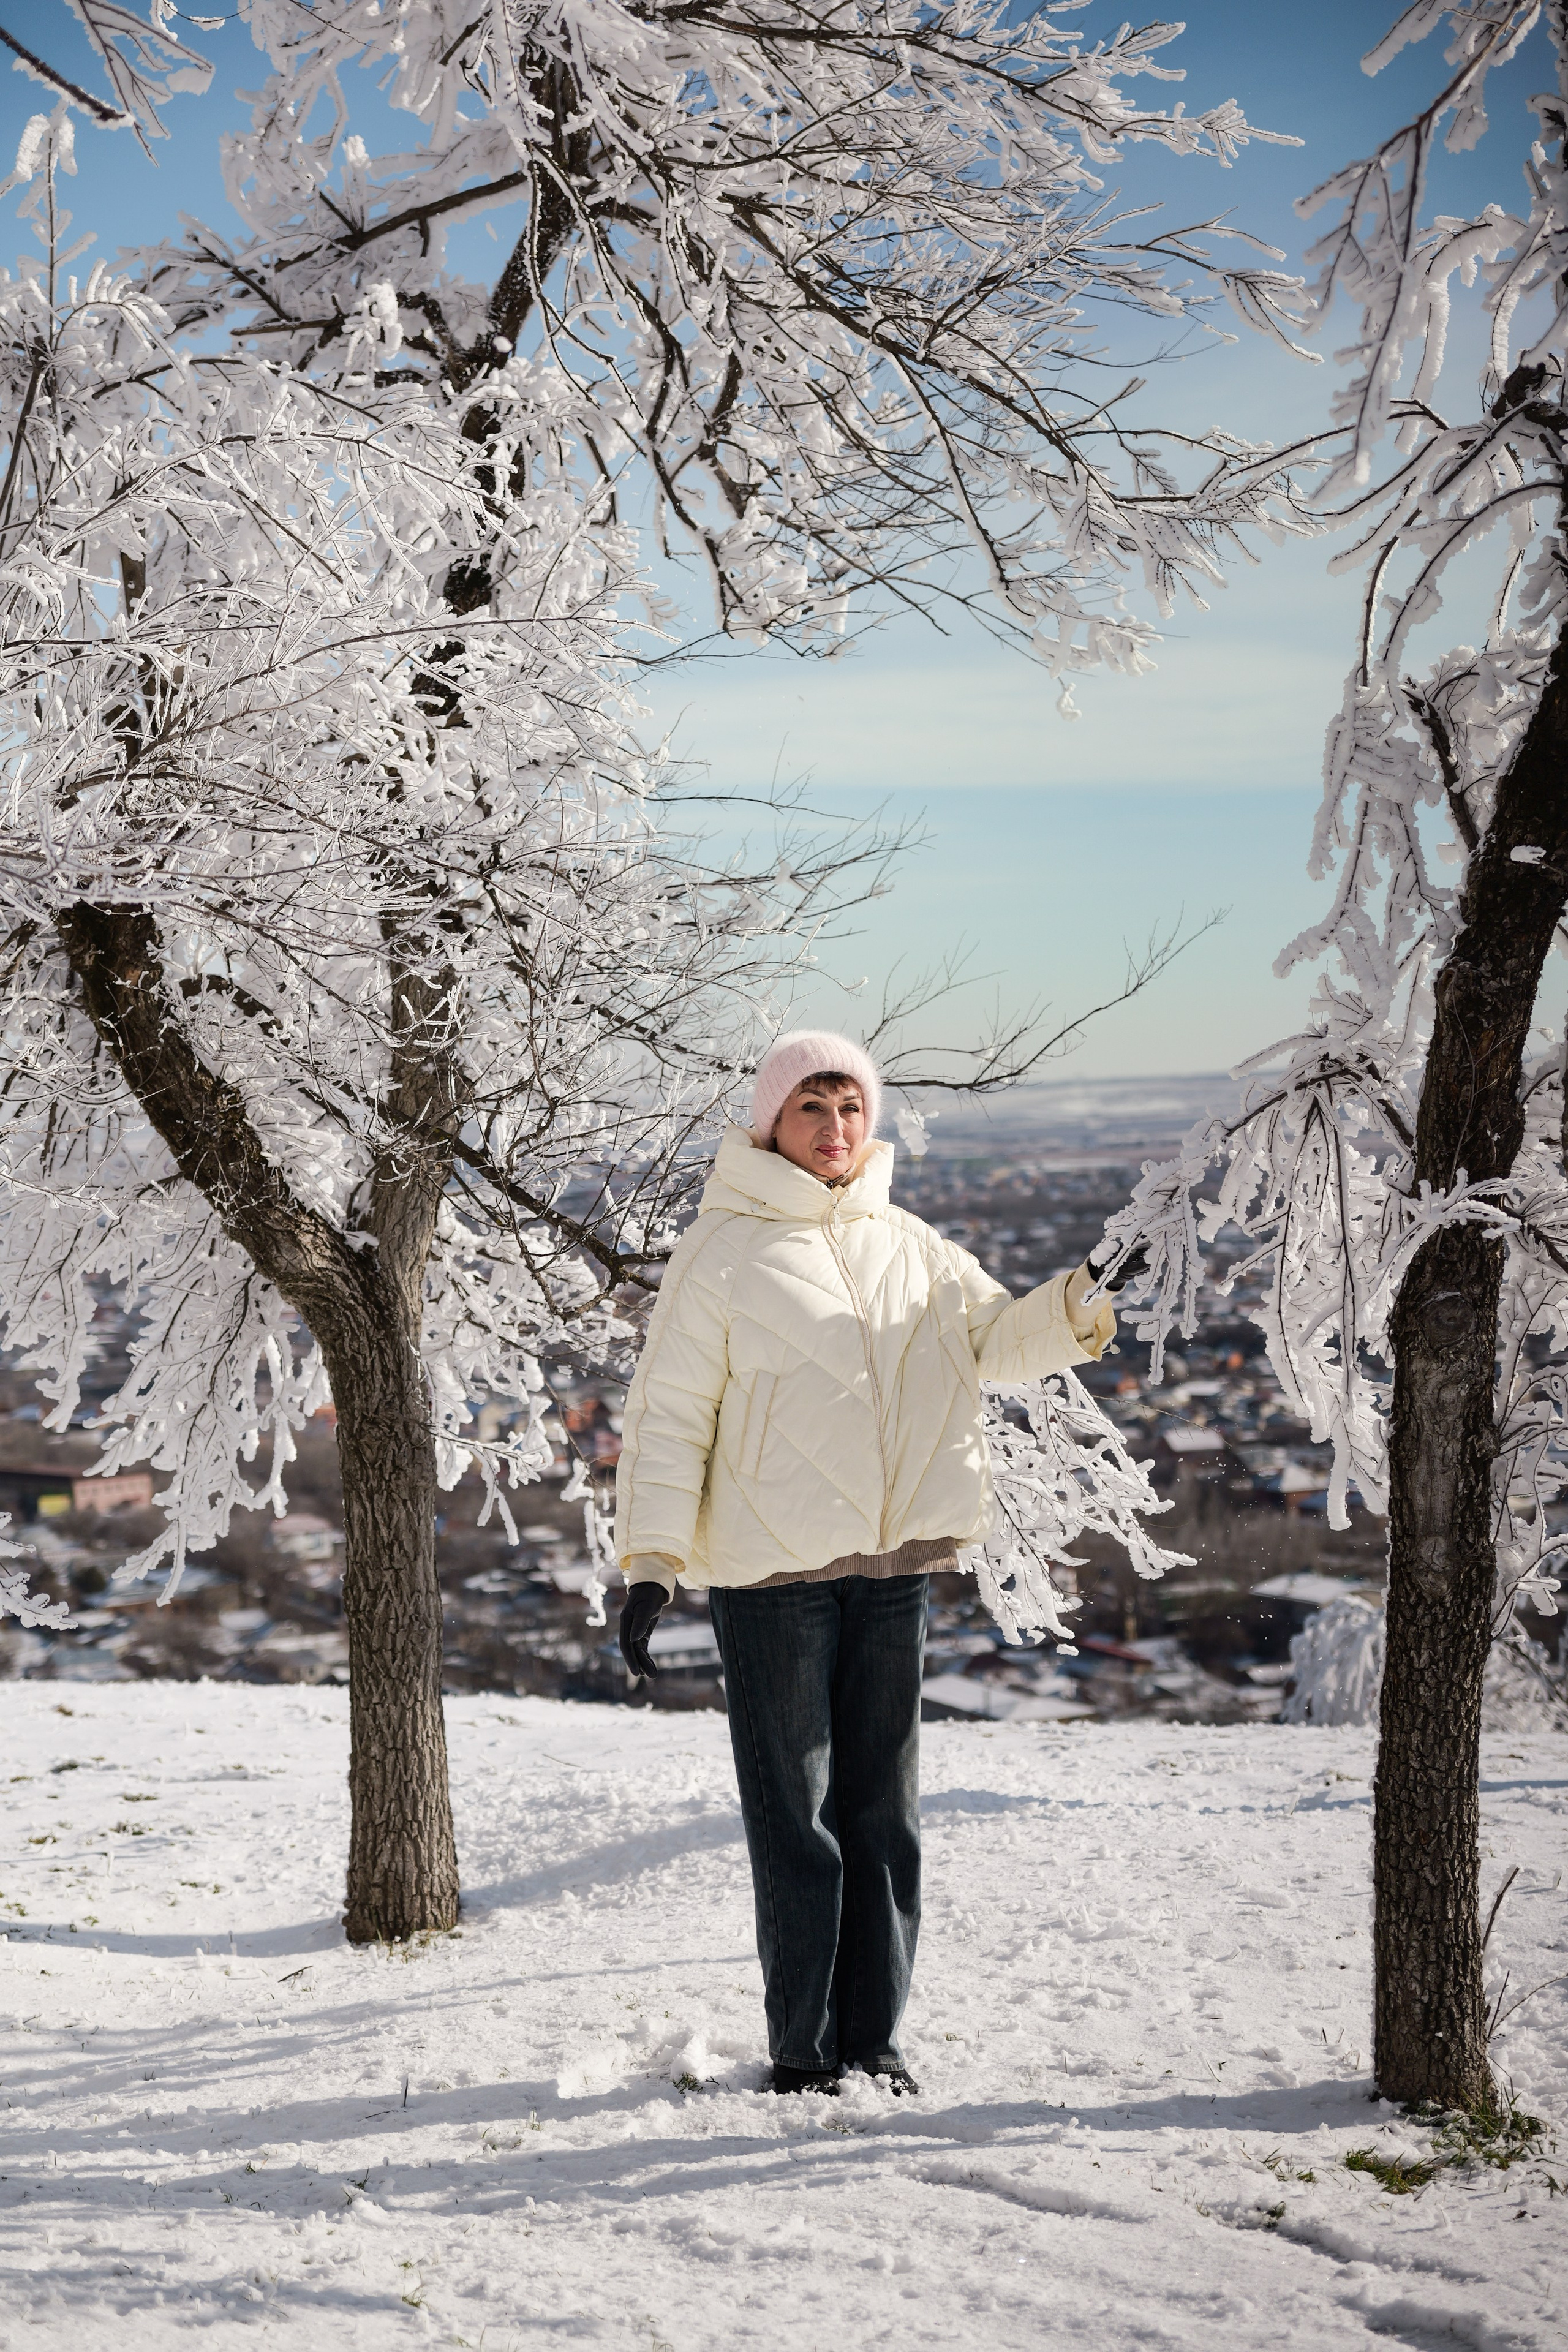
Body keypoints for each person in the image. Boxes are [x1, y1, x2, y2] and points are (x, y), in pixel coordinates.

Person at [612, 1030, 1129, 2097]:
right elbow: (668, 1417)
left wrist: (1081, 1300)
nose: (836, 1129)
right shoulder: (721, 1254)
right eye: (813, 1107)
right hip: (770, 1582)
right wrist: (653, 1560)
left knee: (882, 1818)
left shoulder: (913, 1245)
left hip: (894, 1571)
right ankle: (804, 2051)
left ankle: (874, 2044)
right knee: (797, 1824)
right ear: (769, 1123)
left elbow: (994, 1340)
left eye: (851, 1108)